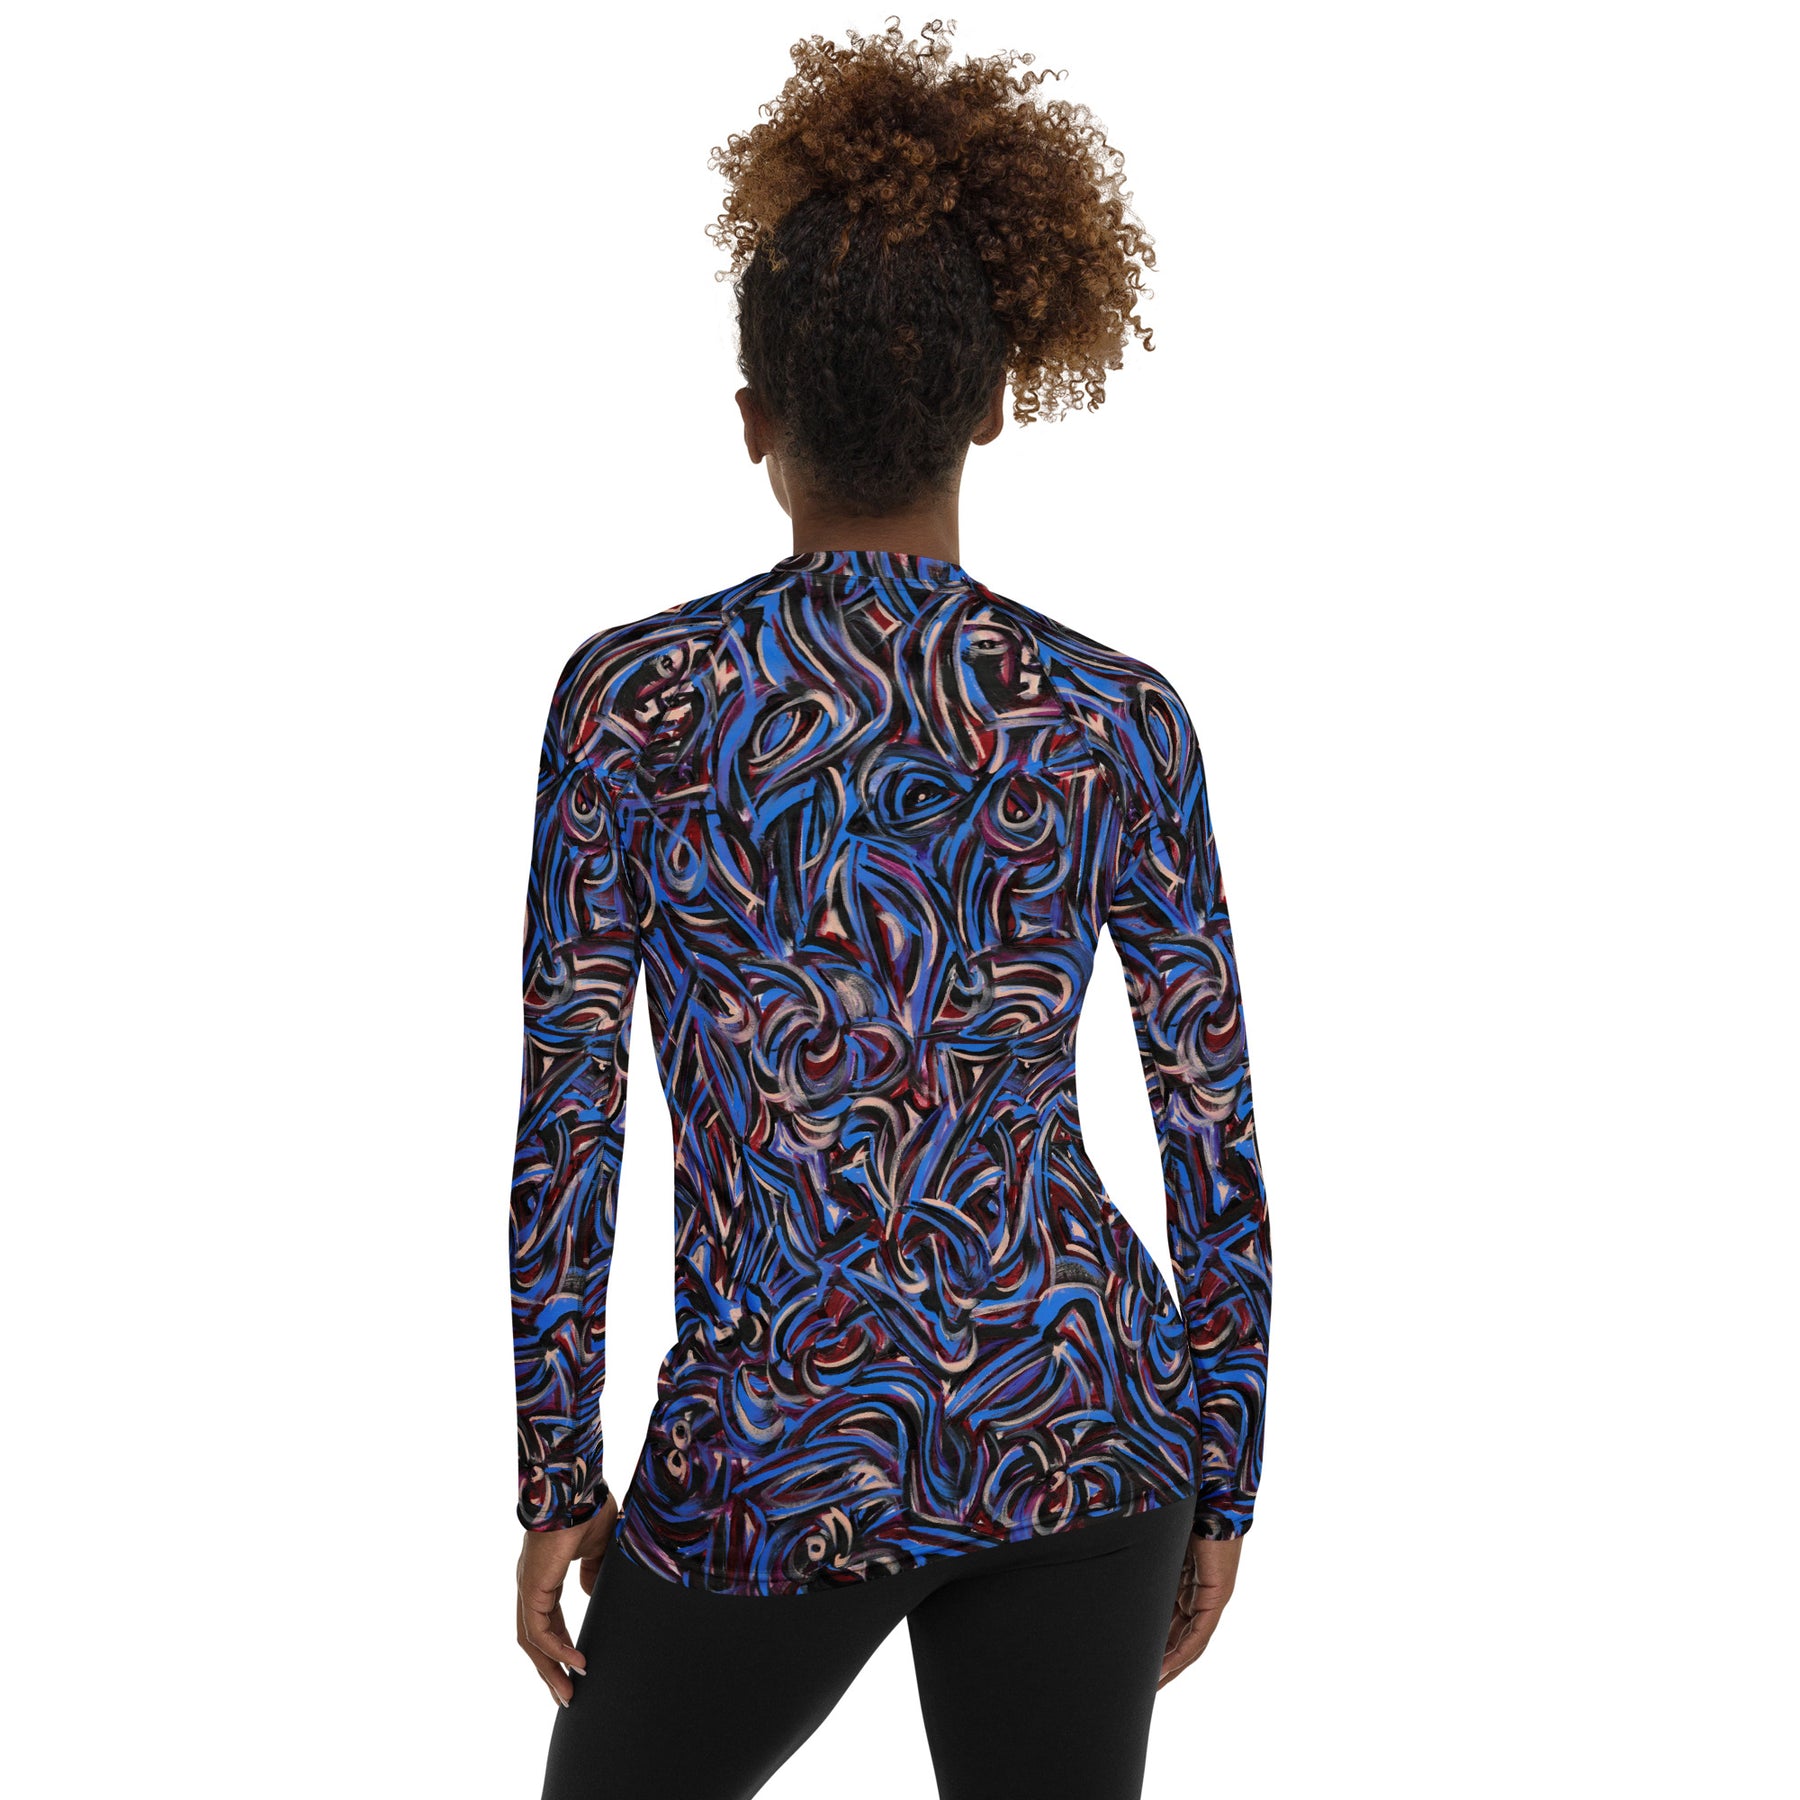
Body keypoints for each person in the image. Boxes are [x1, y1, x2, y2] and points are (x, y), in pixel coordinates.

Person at [509, 22, 1271, 1800]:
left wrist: (556, 1472)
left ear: (754, 416)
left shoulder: (638, 705)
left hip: (773, 1454)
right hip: (1083, 1418)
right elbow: (1209, 1121)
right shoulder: (1112, 717)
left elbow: (571, 1116)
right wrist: (1225, 1465)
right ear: (997, 401)